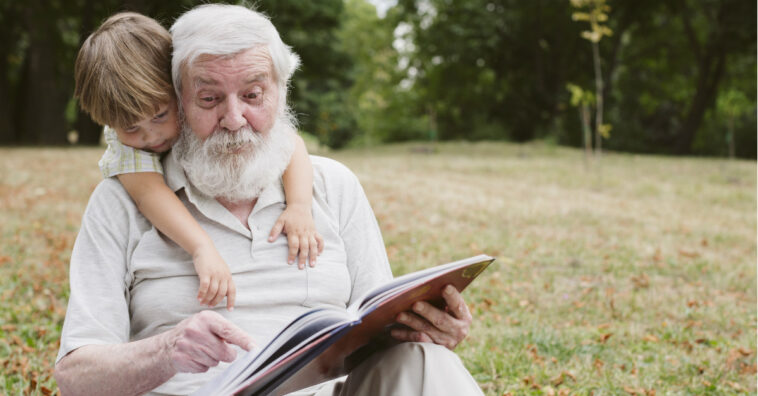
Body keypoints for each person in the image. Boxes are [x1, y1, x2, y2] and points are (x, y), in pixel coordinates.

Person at [54, 4, 484, 395]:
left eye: (254, 95)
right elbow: (75, 379)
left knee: (426, 360)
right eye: (209, 98)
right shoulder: (122, 199)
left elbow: (378, 330)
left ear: (281, 93)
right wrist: (166, 351)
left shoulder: (331, 185)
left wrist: (426, 328)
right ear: (178, 96)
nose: (235, 118)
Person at [74, 12, 323, 310]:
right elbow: (150, 195)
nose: (151, 137)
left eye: (160, 116)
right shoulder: (126, 150)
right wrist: (201, 247)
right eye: (130, 128)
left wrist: (298, 205)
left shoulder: (192, 102)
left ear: (176, 89)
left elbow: (290, 143)